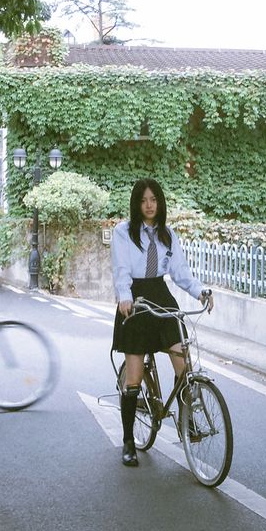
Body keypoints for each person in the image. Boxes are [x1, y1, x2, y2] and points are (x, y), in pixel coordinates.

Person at [111, 178, 213, 466]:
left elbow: (181, 273)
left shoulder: (168, 235)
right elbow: (120, 269)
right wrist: (124, 296)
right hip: (136, 298)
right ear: (136, 203)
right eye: (144, 200)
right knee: (133, 379)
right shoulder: (123, 233)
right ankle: (128, 441)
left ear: (160, 202)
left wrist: (201, 291)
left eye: (154, 199)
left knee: (184, 367)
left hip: (161, 294)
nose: (149, 205)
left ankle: (187, 420)